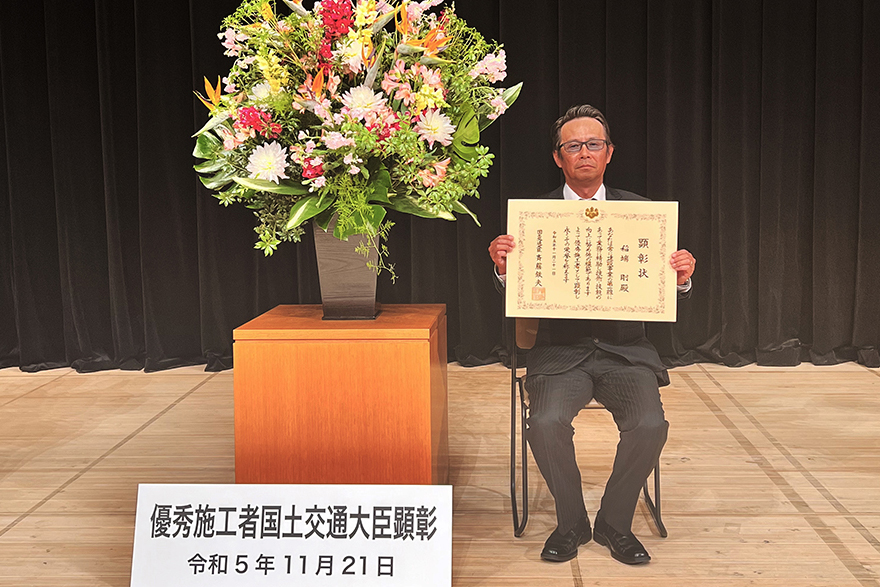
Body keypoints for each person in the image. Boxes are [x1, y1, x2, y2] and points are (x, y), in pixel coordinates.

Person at [488, 104, 696, 565]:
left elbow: (664, 291)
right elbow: (517, 295)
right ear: (558, 157)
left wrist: (680, 279)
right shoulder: (534, 217)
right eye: (573, 146)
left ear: (609, 153)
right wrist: (504, 269)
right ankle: (571, 523)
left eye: (593, 144)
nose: (584, 152)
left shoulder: (643, 214)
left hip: (626, 352)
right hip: (559, 354)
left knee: (650, 425)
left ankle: (614, 523)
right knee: (544, 423)